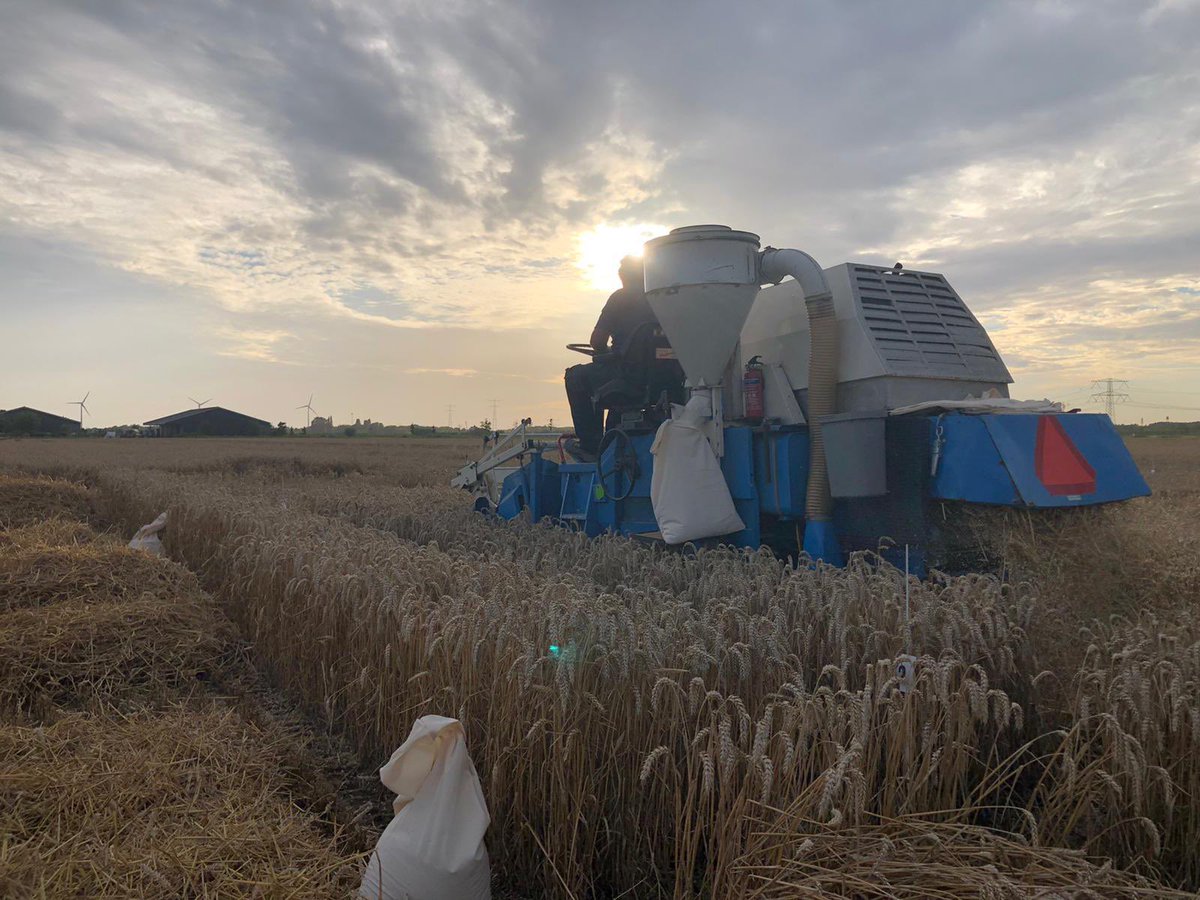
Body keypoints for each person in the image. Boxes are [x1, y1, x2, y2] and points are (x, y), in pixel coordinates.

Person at [564, 256, 659, 459]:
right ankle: (611, 439)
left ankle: (590, 445)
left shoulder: (620, 297)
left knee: (575, 376)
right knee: (614, 389)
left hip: (627, 374)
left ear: (622, 276)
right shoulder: (660, 299)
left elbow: (597, 341)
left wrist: (605, 352)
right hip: (659, 380)